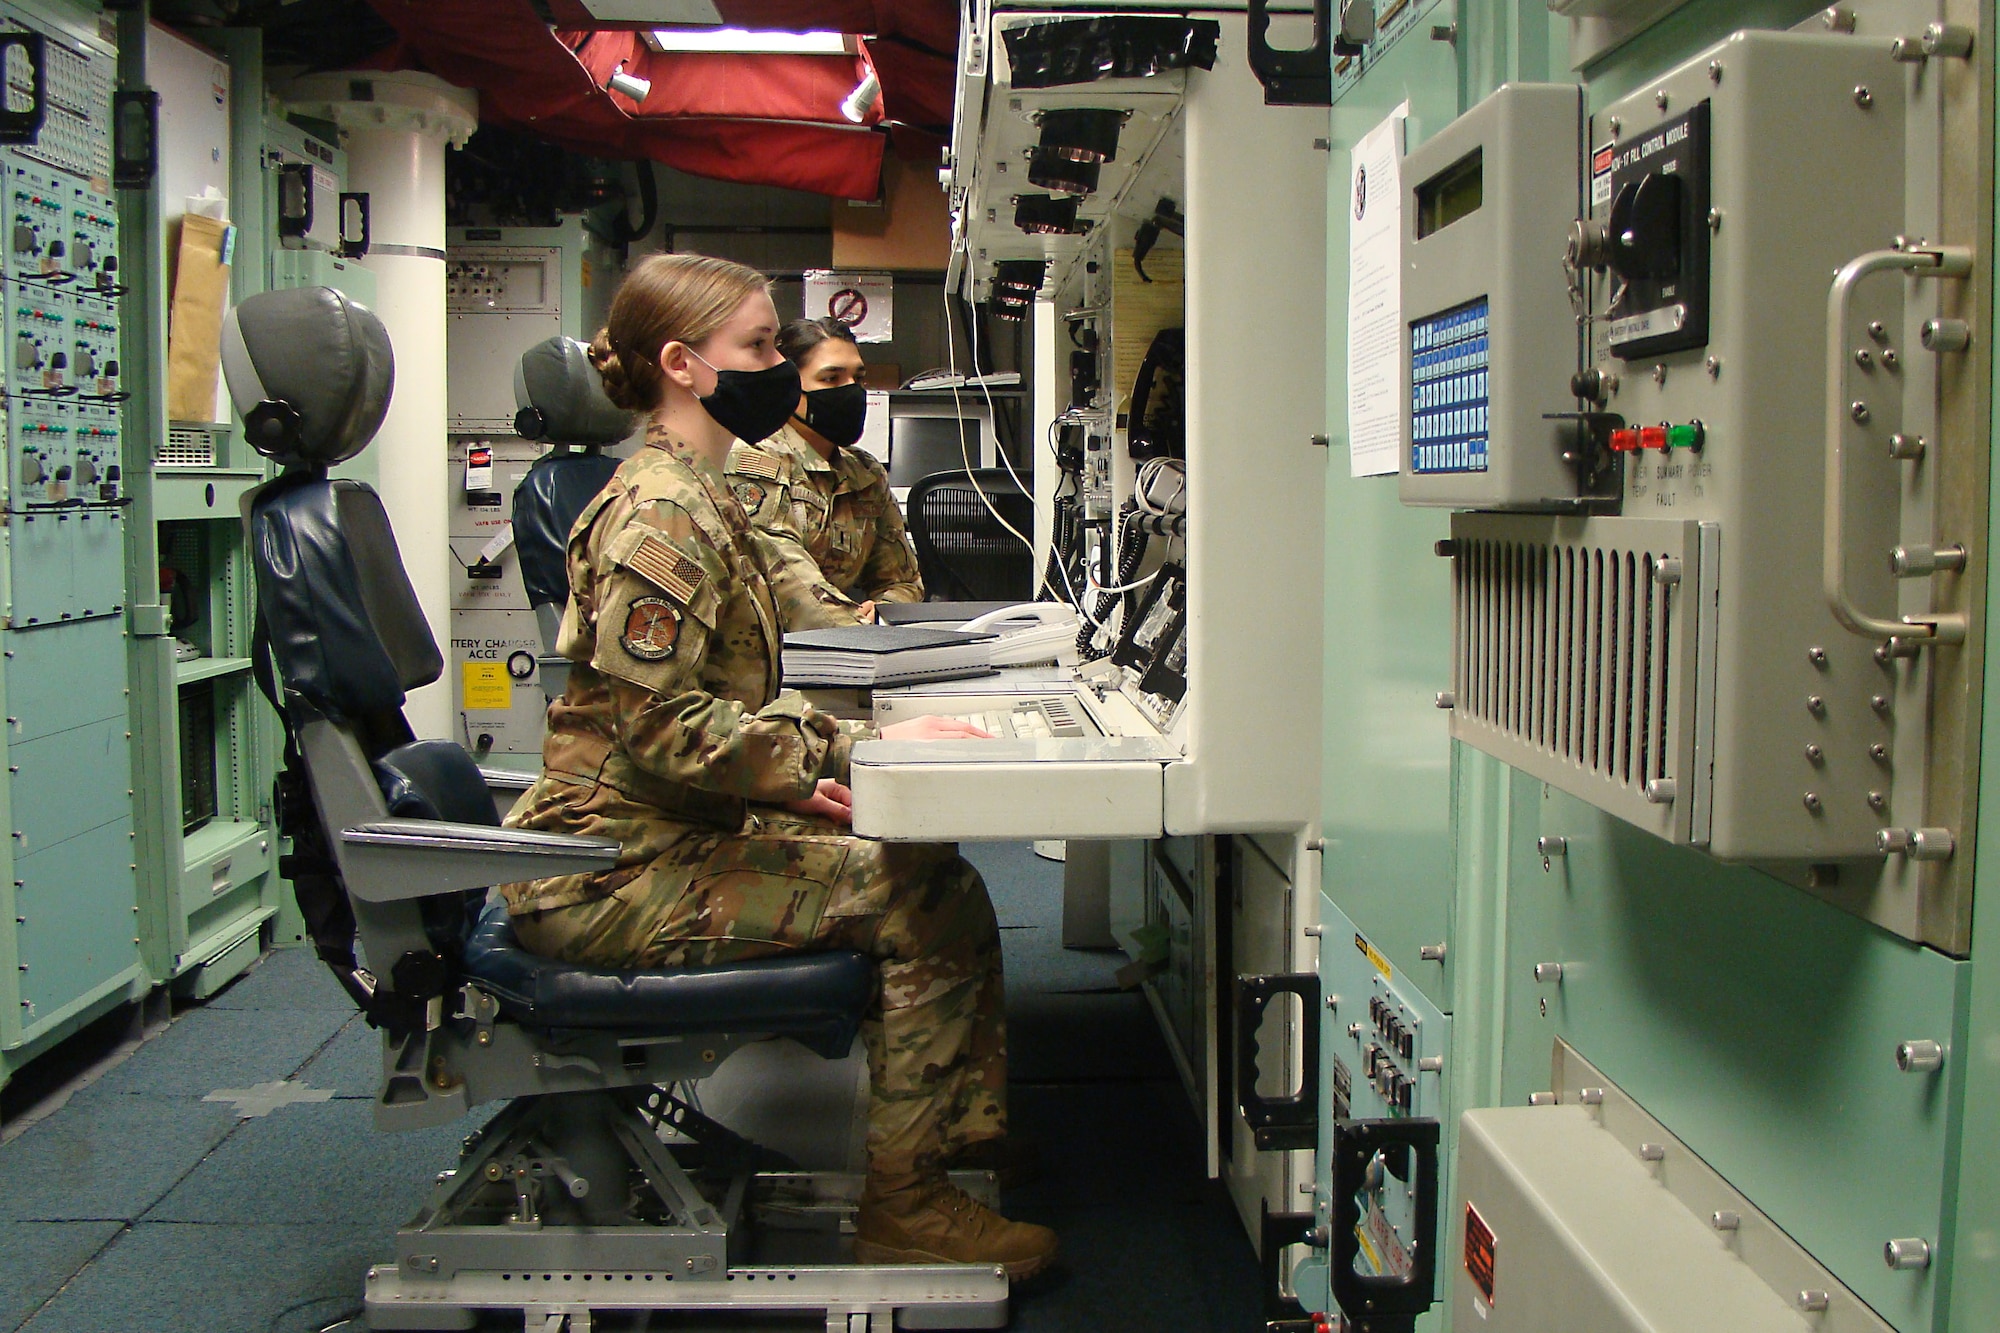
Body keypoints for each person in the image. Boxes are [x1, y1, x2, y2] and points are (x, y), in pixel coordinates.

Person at [497, 254, 1055, 1279]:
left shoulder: (704, 492)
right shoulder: (659, 514)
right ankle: (908, 1203)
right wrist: (844, 748)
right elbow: (664, 728)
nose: (779, 372)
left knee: (919, 850)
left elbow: (735, 699)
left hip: (667, 830)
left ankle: (940, 1140)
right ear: (682, 364)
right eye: (756, 348)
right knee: (919, 895)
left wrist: (835, 757)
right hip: (610, 866)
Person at [725, 317, 923, 628]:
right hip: (773, 652)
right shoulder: (754, 461)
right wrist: (862, 630)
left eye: (857, 379)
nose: (851, 391)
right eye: (831, 379)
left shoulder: (864, 471)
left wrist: (884, 612)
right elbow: (788, 584)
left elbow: (904, 582)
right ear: (787, 388)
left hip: (848, 646)